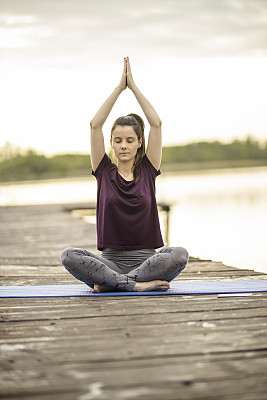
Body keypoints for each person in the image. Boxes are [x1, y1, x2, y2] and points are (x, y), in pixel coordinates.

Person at [61, 57, 189, 293]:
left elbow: (157, 124)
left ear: (140, 143)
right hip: (110, 261)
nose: (123, 146)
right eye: (117, 141)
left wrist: (134, 87)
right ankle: (136, 286)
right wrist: (119, 88)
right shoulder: (103, 170)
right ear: (111, 143)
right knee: (69, 256)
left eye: (130, 140)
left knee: (179, 254)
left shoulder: (149, 170)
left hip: (148, 262)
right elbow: (94, 125)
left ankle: (116, 284)